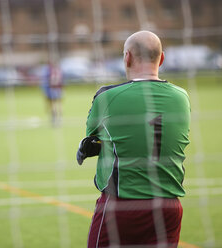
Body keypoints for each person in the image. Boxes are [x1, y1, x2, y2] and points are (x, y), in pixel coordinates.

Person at [76, 31, 191, 247]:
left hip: (121, 207)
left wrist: (100, 147)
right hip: (169, 209)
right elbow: (156, 130)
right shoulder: (182, 97)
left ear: (127, 57)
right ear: (162, 58)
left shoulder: (107, 96)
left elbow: (93, 134)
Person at [42, 61, 63, 126]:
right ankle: (59, 118)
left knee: (53, 104)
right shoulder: (59, 70)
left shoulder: (49, 71)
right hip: (58, 89)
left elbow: (45, 81)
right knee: (58, 104)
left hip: (51, 89)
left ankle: (55, 119)